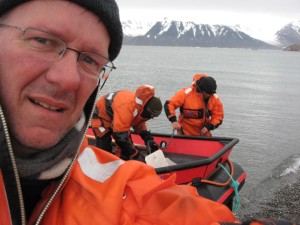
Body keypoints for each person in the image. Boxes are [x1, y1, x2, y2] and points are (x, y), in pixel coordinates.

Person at [0, 1, 296, 225]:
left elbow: (163, 202)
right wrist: (137, 150)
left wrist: (153, 144)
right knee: (113, 142)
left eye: (90, 60)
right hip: (105, 126)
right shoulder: (139, 105)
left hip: (197, 134)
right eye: (42, 40)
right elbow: (121, 130)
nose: (68, 79)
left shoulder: (119, 168)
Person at [91, 85, 162, 160]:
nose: (153, 117)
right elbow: (121, 136)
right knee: (104, 151)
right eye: (152, 115)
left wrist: (147, 138)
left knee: (125, 151)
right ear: (148, 109)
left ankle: (121, 164)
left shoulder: (140, 105)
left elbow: (138, 122)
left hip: (118, 119)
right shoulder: (127, 107)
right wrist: (137, 155)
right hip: (102, 118)